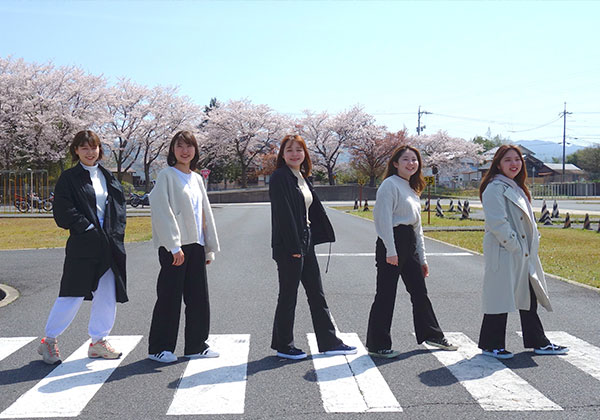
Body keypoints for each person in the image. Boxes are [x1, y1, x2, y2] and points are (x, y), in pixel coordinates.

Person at [38, 130, 127, 365]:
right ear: (76, 150)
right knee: (72, 293)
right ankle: (49, 340)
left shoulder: (107, 176)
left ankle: (98, 342)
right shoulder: (69, 178)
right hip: (83, 245)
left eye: (94, 147)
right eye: (84, 148)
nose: (90, 152)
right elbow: (63, 210)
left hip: (108, 245)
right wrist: (86, 228)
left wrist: (115, 234)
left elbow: (119, 209)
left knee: (107, 294)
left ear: (100, 150)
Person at [269, 134, 357, 360]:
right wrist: (294, 246)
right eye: (289, 150)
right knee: (288, 295)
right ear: (282, 154)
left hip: (304, 240)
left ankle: (329, 341)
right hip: (290, 244)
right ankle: (284, 345)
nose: (295, 154)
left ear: (305, 154)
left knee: (316, 293)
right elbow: (284, 215)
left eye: (299, 150)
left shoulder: (302, 177)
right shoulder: (280, 177)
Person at [366, 145, 457, 359]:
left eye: (414, 160)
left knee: (419, 292)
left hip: (409, 244)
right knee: (386, 295)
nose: (411, 163)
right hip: (392, 242)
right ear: (395, 163)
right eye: (406, 159)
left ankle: (431, 334)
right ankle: (378, 344)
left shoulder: (412, 188)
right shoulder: (389, 185)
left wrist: (422, 258)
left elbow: (418, 228)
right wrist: (390, 250)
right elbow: (383, 220)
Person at [477, 145, 568, 359]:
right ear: (498, 164)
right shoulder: (494, 187)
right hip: (506, 252)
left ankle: (538, 341)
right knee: (499, 299)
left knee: (529, 297)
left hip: (520, 253)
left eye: (517, 160)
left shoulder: (516, 186)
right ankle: (491, 344)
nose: (514, 164)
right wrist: (515, 246)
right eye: (508, 160)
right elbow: (498, 223)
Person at [147, 130, 220, 363]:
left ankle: (196, 345)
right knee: (169, 297)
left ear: (195, 150)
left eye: (189, 146)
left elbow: (204, 214)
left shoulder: (197, 178)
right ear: (172, 150)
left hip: (196, 245)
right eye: (179, 146)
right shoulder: (166, 176)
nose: (185, 150)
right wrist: (173, 245)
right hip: (175, 247)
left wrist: (208, 247)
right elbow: (161, 212)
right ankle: (159, 347)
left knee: (198, 298)